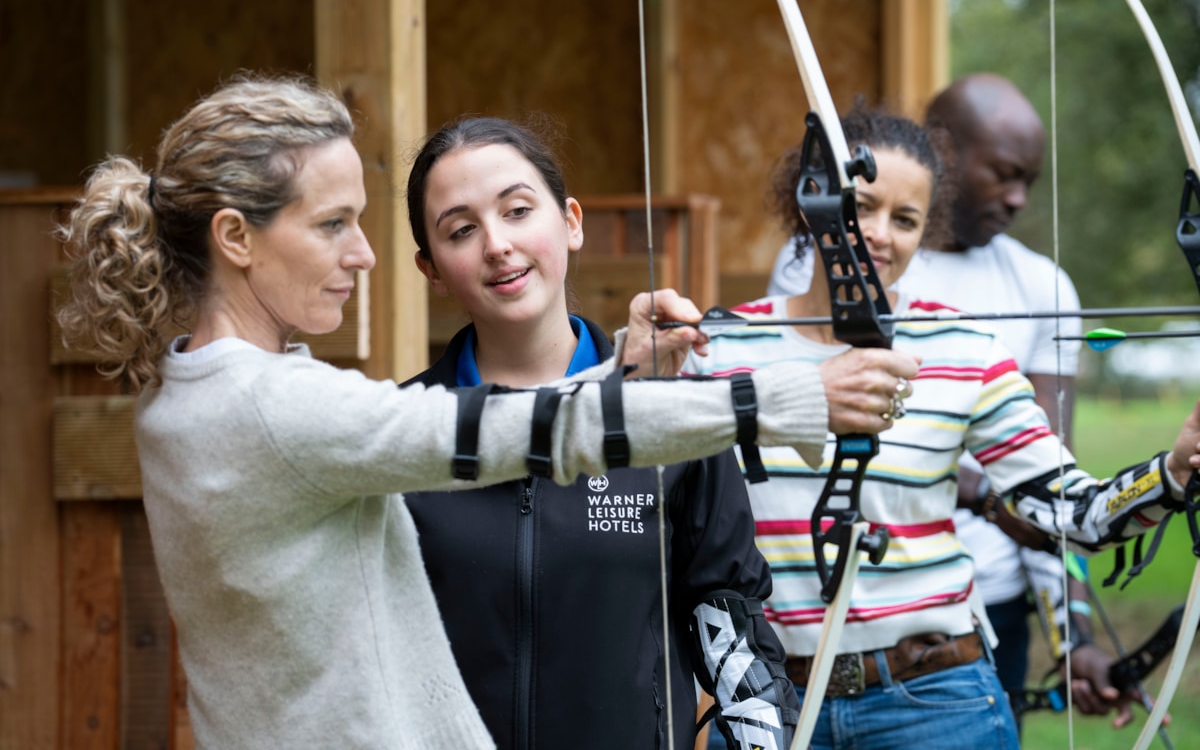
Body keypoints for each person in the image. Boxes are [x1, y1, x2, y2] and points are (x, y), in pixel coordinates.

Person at [54, 74, 922, 749]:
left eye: (518, 211)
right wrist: (794, 395)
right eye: (333, 225)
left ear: (570, 222)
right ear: (237, 237)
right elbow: (504, 433)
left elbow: (522, 434)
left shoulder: (202, 393)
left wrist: (618, 379)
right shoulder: (305, 415)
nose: (361, 255)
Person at [689, 106, 1200, 750]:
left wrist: (1173, 472)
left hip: (936, 700)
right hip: (773, 705)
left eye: (905, 220)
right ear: (811, 199)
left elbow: (1076, 511)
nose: (879, 233)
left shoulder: (962, 347)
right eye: (861, 205)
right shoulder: (720, 346)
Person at [400, 115, 802, 749]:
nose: (497, 244)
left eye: (518, 210)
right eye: (462, 229)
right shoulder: (398, 433)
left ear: (571, 222)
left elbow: (735, 636)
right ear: (431, 267)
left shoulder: (672, 418)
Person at [767, 74, 1116, 731]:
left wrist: (1077, 635)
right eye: (1005, 174)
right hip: (827, 618)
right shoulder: (825, 257)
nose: (1016, 199)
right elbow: (803, 433)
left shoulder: (1043, 283)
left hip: (983, 611)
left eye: (1029, 183)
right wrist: (977, 489)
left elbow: (1048, 482)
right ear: (946, 153)